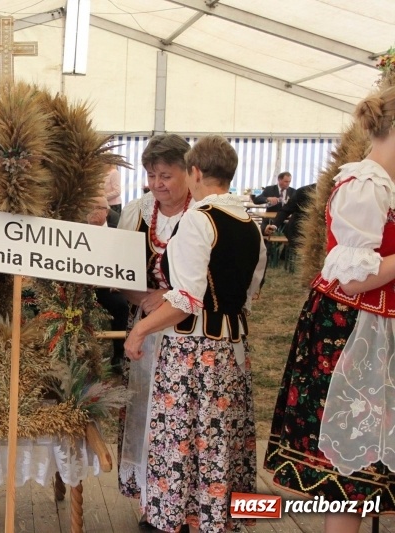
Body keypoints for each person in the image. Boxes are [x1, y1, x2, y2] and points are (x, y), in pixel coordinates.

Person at [264, 86, 395, 533]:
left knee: (372, 466)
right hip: (354, 333)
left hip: (379, 331)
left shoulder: (387, 185)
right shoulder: (364, 183)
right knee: (347, 469)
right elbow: (355, 276)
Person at [124, 135, 266, 533]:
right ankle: (215, 516)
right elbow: (250, 292)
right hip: (232, 346)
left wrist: (139, 330)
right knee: (220, 435)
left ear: (195, 172)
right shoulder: (250, 225)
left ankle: (174, 517)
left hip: (192, 350)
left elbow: (184, 299)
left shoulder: (197, 220)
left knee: (181, 433)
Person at [116, 133, 194, 524]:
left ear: (189, 172)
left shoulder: (204, 215)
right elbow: (119, 271)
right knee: (147, 416)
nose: (158, 183)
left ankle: (187, 506)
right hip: (145, 328)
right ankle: (153, 503)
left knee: (181, 424)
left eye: (166, 174)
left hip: (191, 334)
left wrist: (169, 299)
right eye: (151, 175)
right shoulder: (138, 213)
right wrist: (144, 297)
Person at [88, 196, 128, 369]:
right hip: (85, 287)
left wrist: (117, 281)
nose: (93, 212)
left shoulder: (118, 232)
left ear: (106, 211)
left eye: (97, 208)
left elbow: (124, 260)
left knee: (121, 306)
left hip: (108, 287)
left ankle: (119, 355)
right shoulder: (77, 232)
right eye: (89, 207)